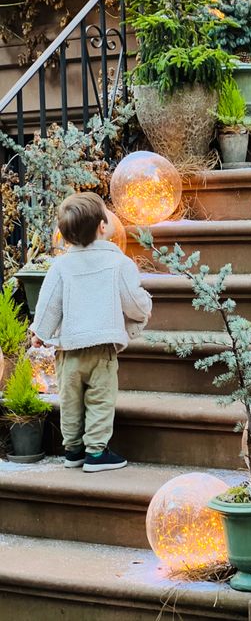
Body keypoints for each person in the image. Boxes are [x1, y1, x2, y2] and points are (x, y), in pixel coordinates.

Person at [30, 192, 152, 472]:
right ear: (102, 227)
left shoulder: (60, 266)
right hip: (101, 351)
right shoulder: (119, 263)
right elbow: (132, 300)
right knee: (100, 399)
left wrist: (39, 332)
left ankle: (73, 450)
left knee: (69, 400)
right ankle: (96, 453)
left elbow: (49, 304)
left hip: (68, 351)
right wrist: (145, 309)